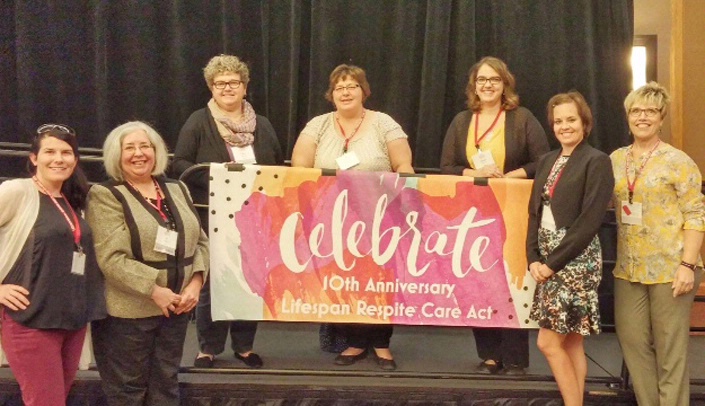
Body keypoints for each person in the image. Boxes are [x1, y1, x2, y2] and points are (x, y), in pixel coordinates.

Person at [291, 64, 414, 371]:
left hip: (380, 218)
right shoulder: (318, 125)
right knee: (345, 280)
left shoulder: (383, 122)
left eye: (352, 86)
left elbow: (404, 165)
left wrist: (405, 192)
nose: (345, 92)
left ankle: (382, 343)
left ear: (363, 91)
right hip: (333, 219)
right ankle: (356, 341)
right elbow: (300, 166)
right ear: (331, 95)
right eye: (339, 88)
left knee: (380, 281)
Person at [440, 56, 550, 375]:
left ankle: (515, 358)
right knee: (479, 282)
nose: (487, 85)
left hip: (512, 214)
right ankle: (490, 355)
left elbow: (543, 161)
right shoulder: (462, 121)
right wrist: (473, 173)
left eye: (494, 80)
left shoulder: (522, 118)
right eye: (481, 80)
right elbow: (446, 166)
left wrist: (510, 176)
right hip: (472, 217)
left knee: (511, 282)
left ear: (505, 85)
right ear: (474, 86)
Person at [86, 121, 209, 406]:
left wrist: (196, 282)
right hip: (128, 315)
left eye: (145, 146)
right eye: (129, 147)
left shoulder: (178, 188)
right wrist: (155, 290)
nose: (139, 153)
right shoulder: (105, 195)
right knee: (128, 392)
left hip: (176, 309)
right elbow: (111, 258)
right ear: (116, 155)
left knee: (166, 385)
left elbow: (200, 242)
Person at [172, 54, 282, 369]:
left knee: (250, 281)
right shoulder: (198, 121)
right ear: (211, 88)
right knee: (211, 283)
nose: (227, 88)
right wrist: (217, 177)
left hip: (254, 216)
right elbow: (179, 163)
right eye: (220, 84)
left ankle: (245, 347)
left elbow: (276, 163)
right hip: (212, 214)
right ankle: (208, 348)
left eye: (234, 82)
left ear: (245, 87)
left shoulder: (262, 125)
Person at [611, 82, 704, 406]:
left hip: (672, 268)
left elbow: (696, 214)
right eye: (636, 111)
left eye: (650, 111)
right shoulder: (615, 159)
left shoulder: (678, 161)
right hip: (629, 269)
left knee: (670, 351)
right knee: (633, 344)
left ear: (661, 118)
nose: (643, 117)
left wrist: (688, 265)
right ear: (628, 117)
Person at [0, 124, 106, 406]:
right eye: (50, 151)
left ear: (75, 159)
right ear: (34, 158)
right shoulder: (16, 192)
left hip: (71, 321)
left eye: (66, 152)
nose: (58, 158)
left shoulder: (72, 199)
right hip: (32, 322)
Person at [527, 91, 614, 405]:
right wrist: (533, 258)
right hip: (548, 255)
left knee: (548, 343)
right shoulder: (547, 160)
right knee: (572, 343)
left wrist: (552, 264)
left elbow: (589, 222)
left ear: (584, 123)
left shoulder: (597, 160)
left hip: (576, 260)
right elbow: (535, 213)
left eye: (571, 120)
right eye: (558, 121)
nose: (564, 126)